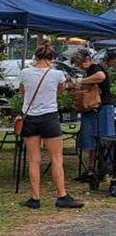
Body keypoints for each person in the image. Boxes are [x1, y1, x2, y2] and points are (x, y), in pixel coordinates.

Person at [18, 42, 84, 209]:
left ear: (36, 57)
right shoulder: (57, 74)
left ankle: (35, 198)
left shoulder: (25, 73)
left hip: (30, 118)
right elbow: (60, 91)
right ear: (51, 58)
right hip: (49, 117)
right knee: (56, 159)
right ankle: (61, 195)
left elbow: (22, 92)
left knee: (34, 160)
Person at [71, 49, 115, 178]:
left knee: (104, 139)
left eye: (80, 64)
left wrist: (81, 82)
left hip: (102, 108)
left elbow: (101, 76)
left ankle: (105, 168)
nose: (79, 67)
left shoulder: (95, 68)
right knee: (91, 139)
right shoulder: (89, 71)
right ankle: (91, 168)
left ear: (87, 60)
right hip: (93, 109)